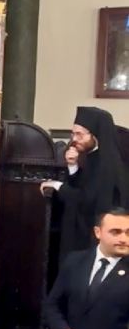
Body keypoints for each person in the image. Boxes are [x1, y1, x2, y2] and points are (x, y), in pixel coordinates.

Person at [41, 107, 129, 264]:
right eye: (73, 134)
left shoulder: (106, 164)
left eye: (79, 134)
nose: (74, 139)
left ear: (95, 136)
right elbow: (83, 186)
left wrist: (58, 186)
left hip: (94, 237)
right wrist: (72, 166)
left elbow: (84, 200)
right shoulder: (93, 157)